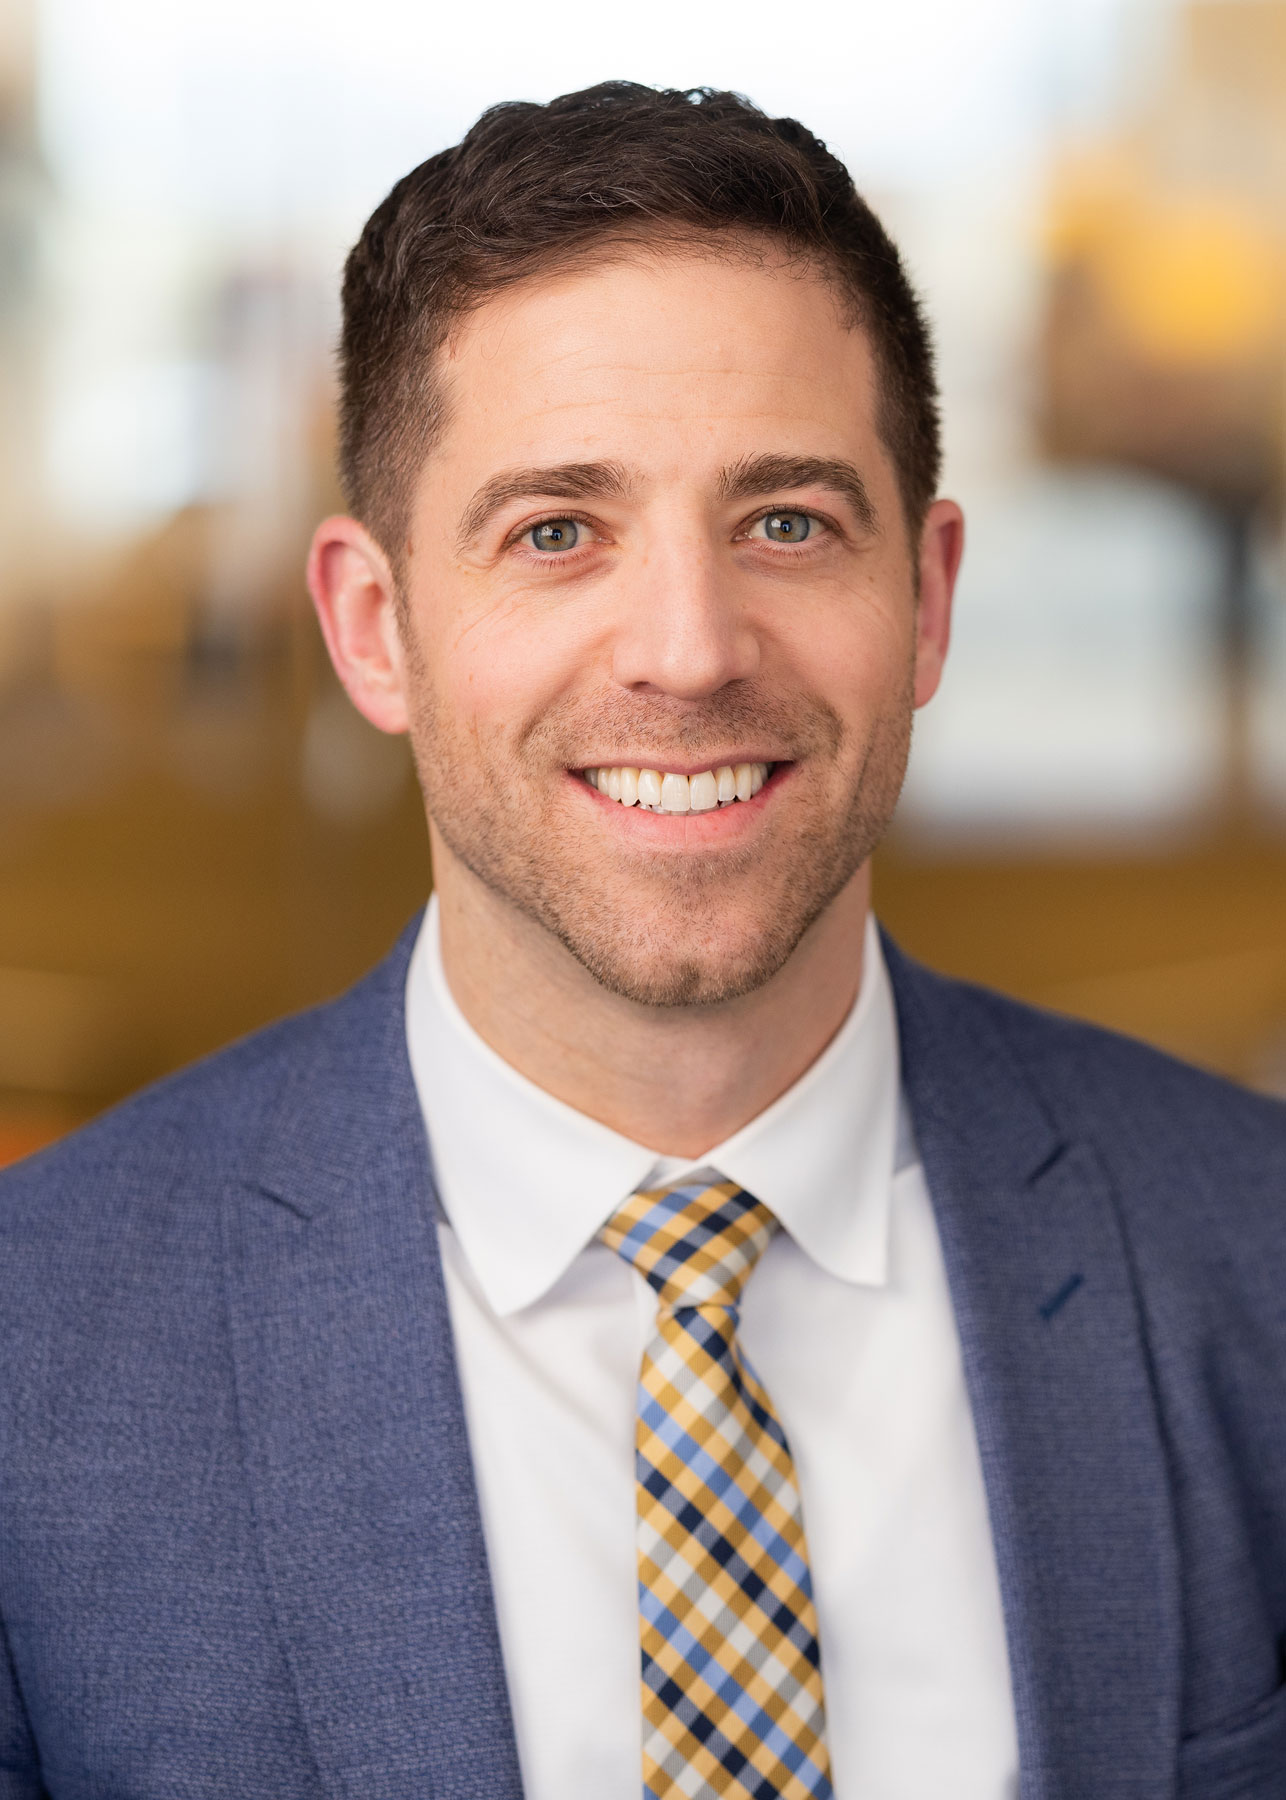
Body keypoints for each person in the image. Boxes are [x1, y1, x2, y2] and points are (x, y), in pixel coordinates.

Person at [1, 81, 1284, 1800]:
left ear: (924, 600)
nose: (687, 650)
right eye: (556, 532)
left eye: (785, 523)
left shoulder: (1250, 1255)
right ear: (374, 629)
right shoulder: (35, 1354)